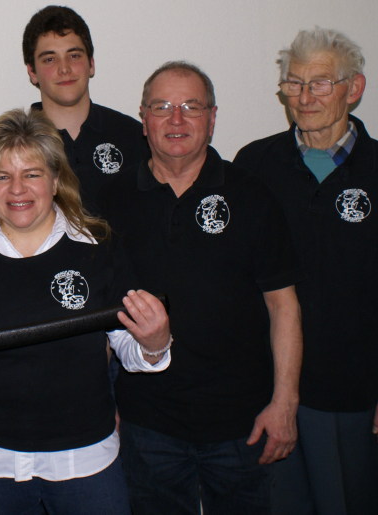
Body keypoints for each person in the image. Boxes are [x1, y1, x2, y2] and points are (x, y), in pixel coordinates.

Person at [0, 108, 173, 515]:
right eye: (2, 176)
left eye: (31, 174)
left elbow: (128, 345)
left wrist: (154, 345)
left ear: (55, 179)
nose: (17, 189)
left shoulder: (98, 247)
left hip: (85, 457)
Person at [234, 28, 378, 515]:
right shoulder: (254, 164)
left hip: (353, 389)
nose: (304, 98)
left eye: (320, 83)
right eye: (294, 83)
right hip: (264, 387)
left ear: (354, 88)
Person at [100, 61, 303, 514]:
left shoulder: (252, 195)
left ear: (212, 118)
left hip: (243, 424)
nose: (176, 119)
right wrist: (98, 405)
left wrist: (285, 403)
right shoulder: (110, 202)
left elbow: (283, 306)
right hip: (146, 425)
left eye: (191, 107)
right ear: (143, 119)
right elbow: (98, 318)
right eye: (162, 107)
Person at [22, 5, 146, 214]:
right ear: (32, 72)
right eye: (50, 59)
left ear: (91, 64)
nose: (64, 68)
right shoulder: (14, 144)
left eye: (74, 56)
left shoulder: (133, 137)